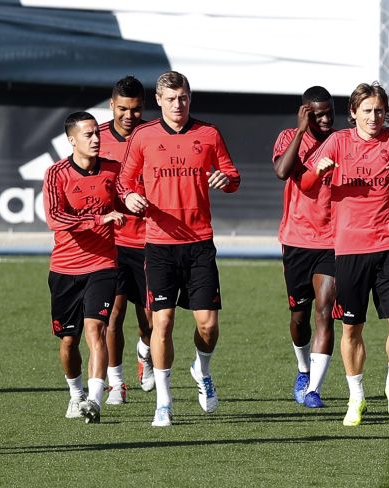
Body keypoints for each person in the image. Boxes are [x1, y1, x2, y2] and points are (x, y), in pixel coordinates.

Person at [307, 82, 389, 426]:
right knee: (352, 329)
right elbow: (304, 184)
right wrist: (318, 171)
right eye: (366, 110)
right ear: (353, 113)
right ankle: (356, 396)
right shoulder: (336, 142)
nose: (373, 117)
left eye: (379, 110)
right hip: (349, 251)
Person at [117, 71, 241, 427]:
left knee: (207, 325)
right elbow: (124, 182)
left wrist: (225, 180)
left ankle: (201, 371)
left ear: (190, 98)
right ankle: (164, 402)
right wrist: (131, 197)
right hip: (158, 245)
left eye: (183, 97)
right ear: (158, 100)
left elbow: (233, 176)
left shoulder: (209, 134)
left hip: (200, 243)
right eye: (170, 99)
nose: (178, 104)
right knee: (163, 322)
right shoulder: (143, 136)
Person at [43, 111, 126, 423]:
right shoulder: (56, 174)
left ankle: (94, 400)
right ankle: (76, 394)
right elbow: (55, 218)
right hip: (64, 269)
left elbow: (123, 196)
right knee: (68, 342)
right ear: (71, 140)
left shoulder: (113, 169)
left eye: (97, 133)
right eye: (88, 135)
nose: (95, 139)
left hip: (103, 264)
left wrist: (131, 200)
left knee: (96, 330)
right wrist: (97, 219)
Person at [272, 86, 336, 408]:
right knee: (300, 317)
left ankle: (313, 389)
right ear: (305, 112)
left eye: (329, 112)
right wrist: (300, 131)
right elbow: (283, 171)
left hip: (332, 242)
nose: (325, 119)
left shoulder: (341, 142)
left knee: (326, 311)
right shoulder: (288, 137)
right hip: (296, 241)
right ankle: (302, 368)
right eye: (318, 113)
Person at [98, 75, 154, 404]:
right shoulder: (97, 138)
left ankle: (144, 353)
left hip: (149, 240)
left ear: (142, 107)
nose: (128, 116)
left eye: (134, 110)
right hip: (113, 242)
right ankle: (116, 382)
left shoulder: (152, 135)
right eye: (122, 109)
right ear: (112, 105)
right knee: (113, 314)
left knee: (150, 320)